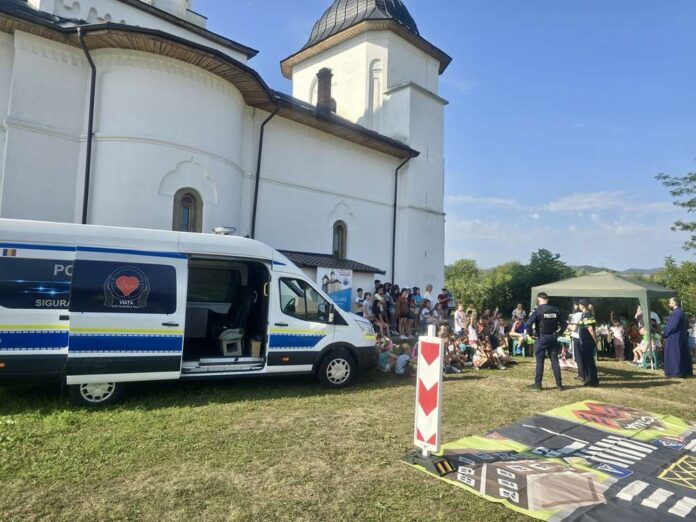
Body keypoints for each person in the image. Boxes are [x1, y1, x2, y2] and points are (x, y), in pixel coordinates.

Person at [524, 292, 568, 391]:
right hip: (553, 337)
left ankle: (538, 384)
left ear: (539, 299)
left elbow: (528, 324)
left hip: (542, 337)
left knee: (540, 362)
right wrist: (559, 333)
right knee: (555, 361)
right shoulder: (556, 310)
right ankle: (559, 385)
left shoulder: (538, 310)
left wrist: (530, 334)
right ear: (547, 300)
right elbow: (565, 324)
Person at [663, 297, 693, 378]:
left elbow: (672, 326)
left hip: (674, 337)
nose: (669, 303)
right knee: (681, 354)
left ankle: (675, 372)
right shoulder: (681, 312)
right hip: (681, 336)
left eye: (670, 302)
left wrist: (665, 333)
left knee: (675, 354)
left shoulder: (676, 313)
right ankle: (683, 371)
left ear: (674, 303)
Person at [576, 299, 600, 387]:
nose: (579, 306)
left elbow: (590, 329)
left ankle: (594, 381)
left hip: (587, 341)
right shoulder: (584, 314)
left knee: (590, 362)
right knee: (588, 361)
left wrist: (595, 339)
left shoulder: (587, 315)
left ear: (582, 305)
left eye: (579, 304)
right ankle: (591, 379)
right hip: (584, 340)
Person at [568, 303, 584, 381]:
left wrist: (567, 325)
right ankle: (585, 374)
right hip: (584, 337)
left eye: (575, 305)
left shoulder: (576, 315)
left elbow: (574, 328)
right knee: (583, 357)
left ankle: (581, 375)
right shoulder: (585, 314)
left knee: (578, 358)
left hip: (577, 337)